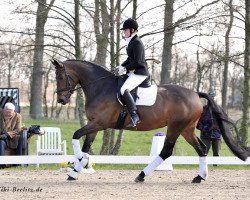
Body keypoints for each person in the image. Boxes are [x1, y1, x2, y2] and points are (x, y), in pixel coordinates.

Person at [116, 18, 151, 127]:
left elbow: (138, 62)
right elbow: (130, 59)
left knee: (124, 89)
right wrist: (121, 66)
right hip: (134, 71)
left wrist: (125, 69)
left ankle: (135, 116)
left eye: (125, 30)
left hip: (140, 73)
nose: (124, 32)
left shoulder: (137, 42)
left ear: (132, 30)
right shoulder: (131, 42)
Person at [197, 91, 221, 165]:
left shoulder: (219, 109)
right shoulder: (202, 109)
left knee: (216, 153)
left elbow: (223, 122)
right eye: (210, 97)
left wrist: (219, 129)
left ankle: (216, 166)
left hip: (216, 135)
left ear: (214, 98)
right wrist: (204, 129)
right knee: (204, 151)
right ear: (207, 98)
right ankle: (203, 165)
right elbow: (197, 122)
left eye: (213, 97)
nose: (211, 99)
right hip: (205, 135)